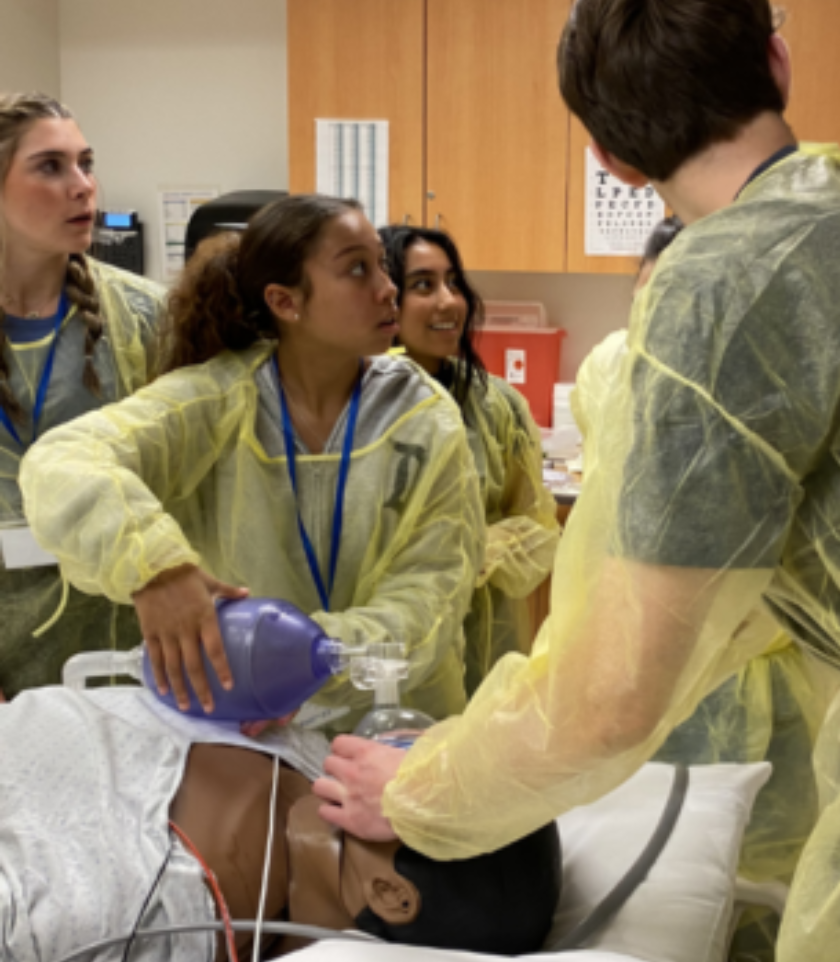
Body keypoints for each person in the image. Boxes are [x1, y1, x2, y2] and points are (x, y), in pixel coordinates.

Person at [311, 0, 840, 962]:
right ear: (778, 63)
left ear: (613, 160)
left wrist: (421, 791)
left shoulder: (716, 292)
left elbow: (612, 696)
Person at [20, 194, 484, 730]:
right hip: (249, 727)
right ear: (286, 302)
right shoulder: (216, 401)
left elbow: (432, 591)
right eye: (358, 269)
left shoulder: (424, 418)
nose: (387, 289)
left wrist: (302, 663)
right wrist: (154, 564)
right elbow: (62, 461)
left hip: (395, 726)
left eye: (382, 264)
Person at [575, 215, 826, 960]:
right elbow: (629, 528)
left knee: (773, 877)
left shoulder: (785, 371)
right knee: (653, 871)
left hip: (776, 673)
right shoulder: (611, 370)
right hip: (660, 666)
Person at [0, 684, 560, 961]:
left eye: (420, 774)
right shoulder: (304, 750)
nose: (398, 748)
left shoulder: (130, 917)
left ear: (390, 893)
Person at [0, 92, 166, 697]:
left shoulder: (146, 318)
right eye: (51, 166)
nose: (83, 186)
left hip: (129, 654)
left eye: (86, 163)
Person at [380, 224, 559, 695]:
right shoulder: (354, 405)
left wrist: (479, 551)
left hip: (483, 639)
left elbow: (539, 526)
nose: (448, 301)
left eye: (454, 283)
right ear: (384, 298)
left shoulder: (496, 405)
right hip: (387, 646)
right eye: (423, 285)